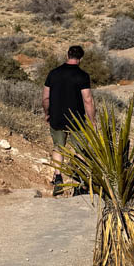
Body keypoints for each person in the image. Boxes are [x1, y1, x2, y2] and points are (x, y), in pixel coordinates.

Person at [43, 45, 95, 196]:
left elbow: (45, 97)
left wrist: (47, 113)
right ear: (81, 58)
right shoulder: (82, 76)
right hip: (77, 120)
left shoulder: (53, 74)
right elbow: (88, 100)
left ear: (67, 55)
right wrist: (92, 120)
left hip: (57, 118)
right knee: (79, 151)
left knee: (58, 148)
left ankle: (58, 179)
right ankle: (78, 183)